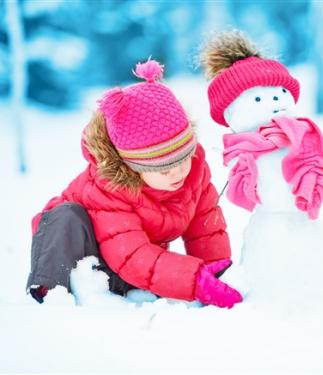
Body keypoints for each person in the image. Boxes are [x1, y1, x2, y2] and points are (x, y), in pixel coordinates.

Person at [25, 58, 243, 309]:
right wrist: (194, 281)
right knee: (64, 216)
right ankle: (49, 293)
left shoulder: (192, 173)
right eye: (165, 168)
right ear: (135, 167)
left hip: (131, 266)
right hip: (84, 255)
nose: (179, 172)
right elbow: (131, 255)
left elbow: (206, 228)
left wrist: (217, 275)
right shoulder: (111, 189)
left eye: (183, 158)